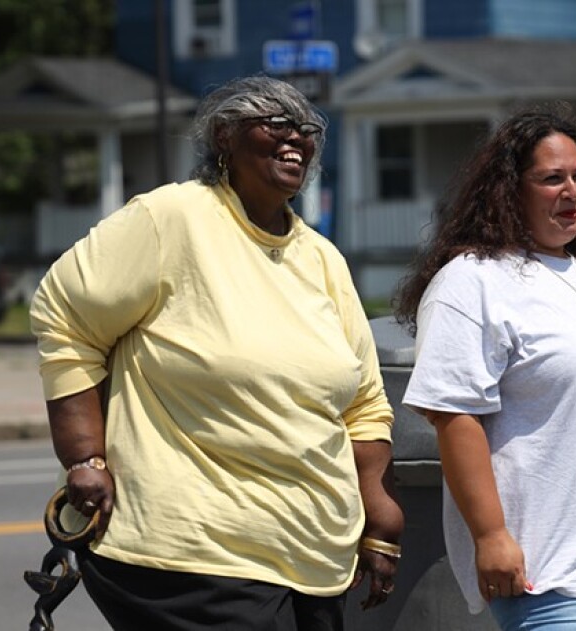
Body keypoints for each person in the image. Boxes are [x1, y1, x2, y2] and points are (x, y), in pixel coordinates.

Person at [29, 75, 404, 631]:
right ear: (224, 137)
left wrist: (379, 516)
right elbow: (66, 315)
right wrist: (84, 455)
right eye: (275, 123)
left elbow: (364, 403)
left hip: (312, 554)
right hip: (192, 552)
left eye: (307, 129)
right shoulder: (174, 218)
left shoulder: (321, 258)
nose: (295, 138)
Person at [396, 102, 576, 631]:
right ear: (510, 191)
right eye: (551, 178)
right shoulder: (473, 281)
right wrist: (490, 536)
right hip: (546, 568)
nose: (572, 191)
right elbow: (453, 414)